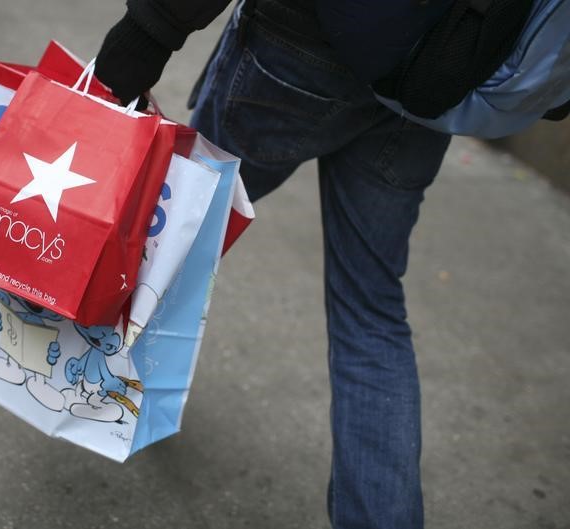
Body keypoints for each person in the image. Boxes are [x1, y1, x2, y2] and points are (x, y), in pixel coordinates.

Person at [94, 1, 459, 528]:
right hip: (429, 78)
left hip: (296, 52)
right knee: (371, 311)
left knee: (183, 237)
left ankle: (107, 397)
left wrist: (151, 29)